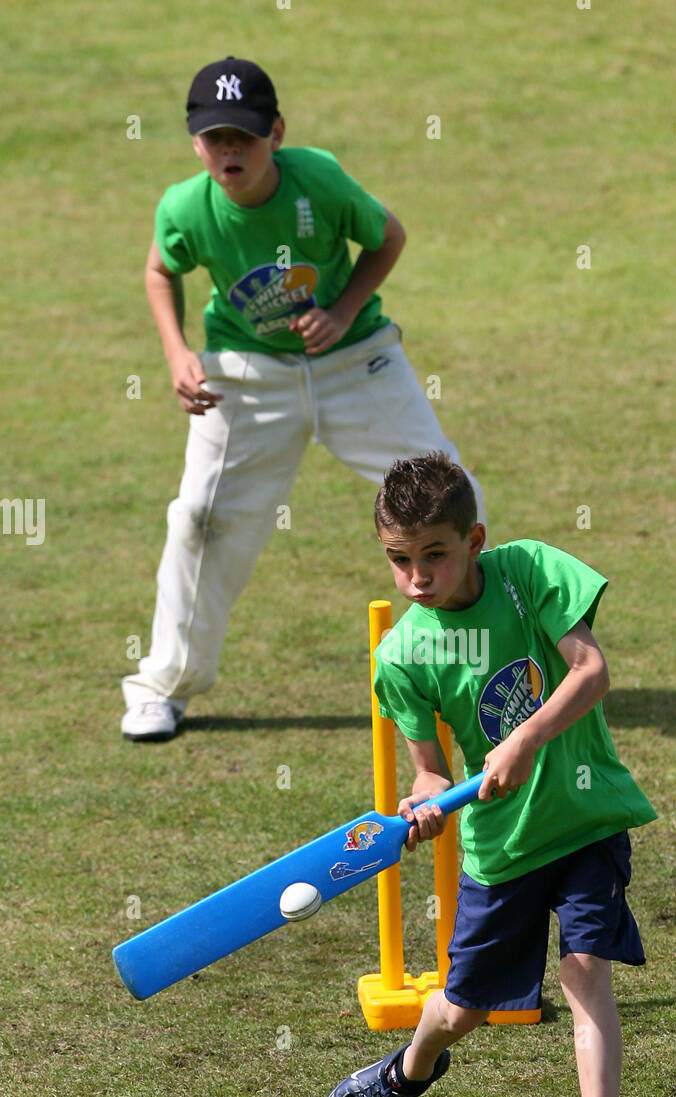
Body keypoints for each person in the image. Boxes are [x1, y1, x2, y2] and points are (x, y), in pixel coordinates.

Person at [317, 451, 657, 1097]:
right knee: (464, 1009)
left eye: (433, 554)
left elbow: (591, 671)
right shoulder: (402, 655)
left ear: (473, 539)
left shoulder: (527, 573)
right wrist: (426, 801)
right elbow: (430, 770)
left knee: (584, 977)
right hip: (501, 848)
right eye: (398, 560)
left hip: (585, 821)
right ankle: (405, 1072)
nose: (415, 579)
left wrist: (526, 742)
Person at [121, 57, 484, 741]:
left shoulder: (319, 177)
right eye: (215, 137)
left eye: (245, 137)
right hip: (246, 374)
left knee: (451, 492)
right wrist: (177, 353)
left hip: (357, 362)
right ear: (195, 142)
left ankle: (482, 658)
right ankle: (163, 687)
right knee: (198, 517)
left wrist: (345, 311)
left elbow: (388, 236)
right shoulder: (184, 208)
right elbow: (159, 268)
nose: (230, 151)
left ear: (276, 133)